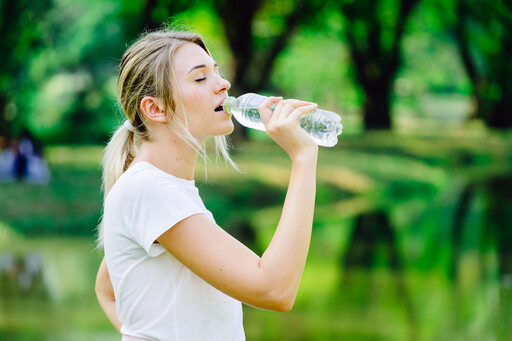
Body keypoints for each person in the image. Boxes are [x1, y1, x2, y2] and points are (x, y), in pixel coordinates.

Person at [95, 29, 318, 341]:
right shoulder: (151, 190)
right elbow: (274, 289)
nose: (223, 84)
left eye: (217, 71)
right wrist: (303, 157)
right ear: (155, 109)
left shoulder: (159, 188)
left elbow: (107, 288)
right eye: (200, 78)